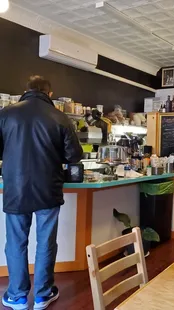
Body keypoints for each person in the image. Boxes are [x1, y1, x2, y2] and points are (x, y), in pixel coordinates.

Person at [0, 76, 83, 310]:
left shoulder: (7, 114)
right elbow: (74, 156)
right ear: (50, 92)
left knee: (16, 242)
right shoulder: (60, 117)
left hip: (15, 189)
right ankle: (42, 295)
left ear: (25, 91)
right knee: (45, 242)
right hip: (48, 188)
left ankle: (16, 296)